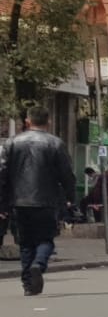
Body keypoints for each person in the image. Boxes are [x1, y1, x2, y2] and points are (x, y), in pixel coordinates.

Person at [0, 106, 74, 295]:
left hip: (19, 201)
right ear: (48, 121)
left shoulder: (12, 143)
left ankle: (28, 284)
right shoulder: (56, 143)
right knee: (46, 239)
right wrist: (70, 198)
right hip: (46, 201)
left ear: (27, 121)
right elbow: (66, 174)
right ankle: (39, 264)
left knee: (25, 243)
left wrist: (3, 201)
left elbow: (2, 173)